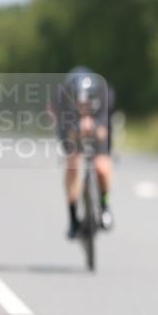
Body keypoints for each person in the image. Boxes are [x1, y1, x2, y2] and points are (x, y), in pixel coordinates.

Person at [52, 66, 115, 238]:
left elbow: (105, 125)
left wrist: (96, 127)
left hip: (98, 120)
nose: (83, 107)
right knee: (72, 164)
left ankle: (104, 206)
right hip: (70, 123)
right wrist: (74, 129)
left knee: (101, 167)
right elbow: (60, 124)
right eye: (79, 104)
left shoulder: (103, 92)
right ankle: (73, 218)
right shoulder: (62, 97)